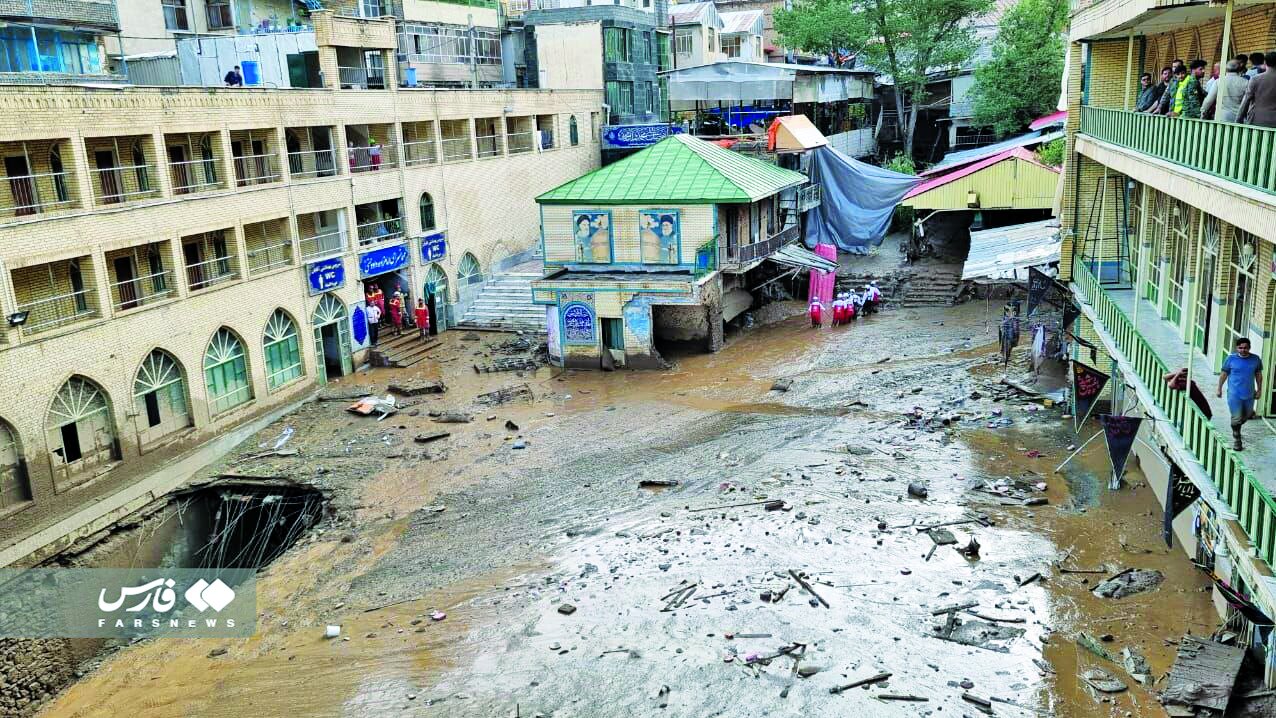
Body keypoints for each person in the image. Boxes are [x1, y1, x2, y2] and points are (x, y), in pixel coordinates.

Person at [1217, 337, 1264, 450]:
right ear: (1236, 348)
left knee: (1247, 415)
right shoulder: (1231, 359)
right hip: (1234, 394)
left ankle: (1235, 427)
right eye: (1240, 348)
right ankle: (1237, 439)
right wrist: (1219, 388)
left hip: (1249, 394)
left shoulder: (1255, 359)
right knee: (1237, 417)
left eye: (1245, 348)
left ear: (1249, 348)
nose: (1243, 350)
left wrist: (1259, 390)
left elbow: (1258, 375)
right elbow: (1224, 374)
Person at [1238, 51, 1276, 127]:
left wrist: (1239, 119)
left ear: (1265, 62)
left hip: (1256, 120)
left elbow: (1246, 100)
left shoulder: (1255, 79)